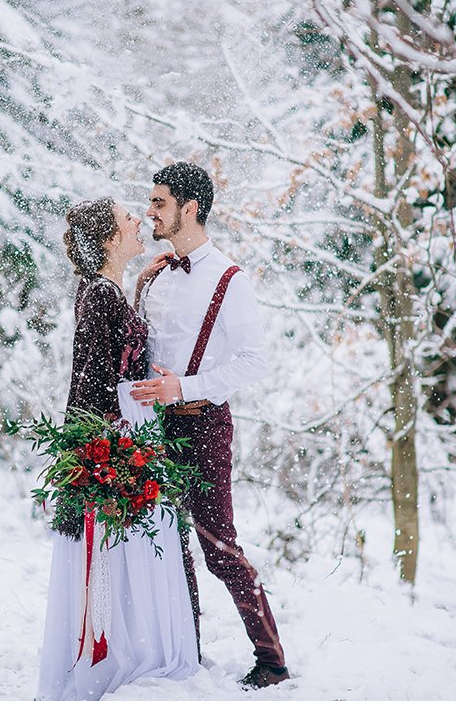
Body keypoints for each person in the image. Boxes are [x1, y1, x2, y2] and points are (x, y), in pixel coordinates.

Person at [130, 163, 291, 690]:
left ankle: (272, 660)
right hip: (150, 429)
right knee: (163, 546)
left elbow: (254, 361)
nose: (150, 211)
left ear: (190, 207)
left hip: (203, 425)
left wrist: (187, 387)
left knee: (217, 546)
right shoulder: (152, 274)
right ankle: (183, 656)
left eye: (159, 202)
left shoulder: (230, 279)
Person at [37, 197, 200, 701]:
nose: (137, 219)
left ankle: (137, 643)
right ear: (110, 239)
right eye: (126, 217)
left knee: (135, 550)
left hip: (131, 427)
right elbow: (90, 380)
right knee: (126, 549)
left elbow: (114, 352)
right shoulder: (99, 297)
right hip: (121, 435)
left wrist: (140, 284)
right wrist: (106, 450)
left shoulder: (104, 291)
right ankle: (131, 653)